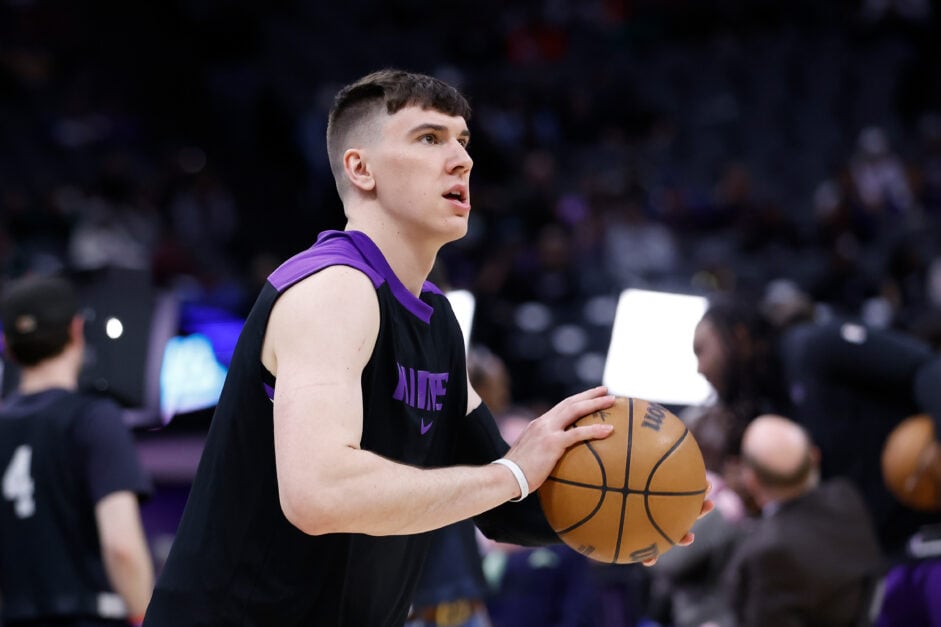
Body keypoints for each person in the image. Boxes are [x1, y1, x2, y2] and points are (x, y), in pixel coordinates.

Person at [143, 69, 710, 626]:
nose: (462, 159)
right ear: (360, 169)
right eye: (429, 138)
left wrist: (637, 509)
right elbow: (319, 494)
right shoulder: (333, 287)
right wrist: (512, 472)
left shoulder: (436, 318)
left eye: (463, 141)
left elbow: (499, 501)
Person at [0, 274, 154, 626]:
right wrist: (145, 614)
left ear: (7, 345)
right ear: (77, 330)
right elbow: (122, 547)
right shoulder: (94, 418)